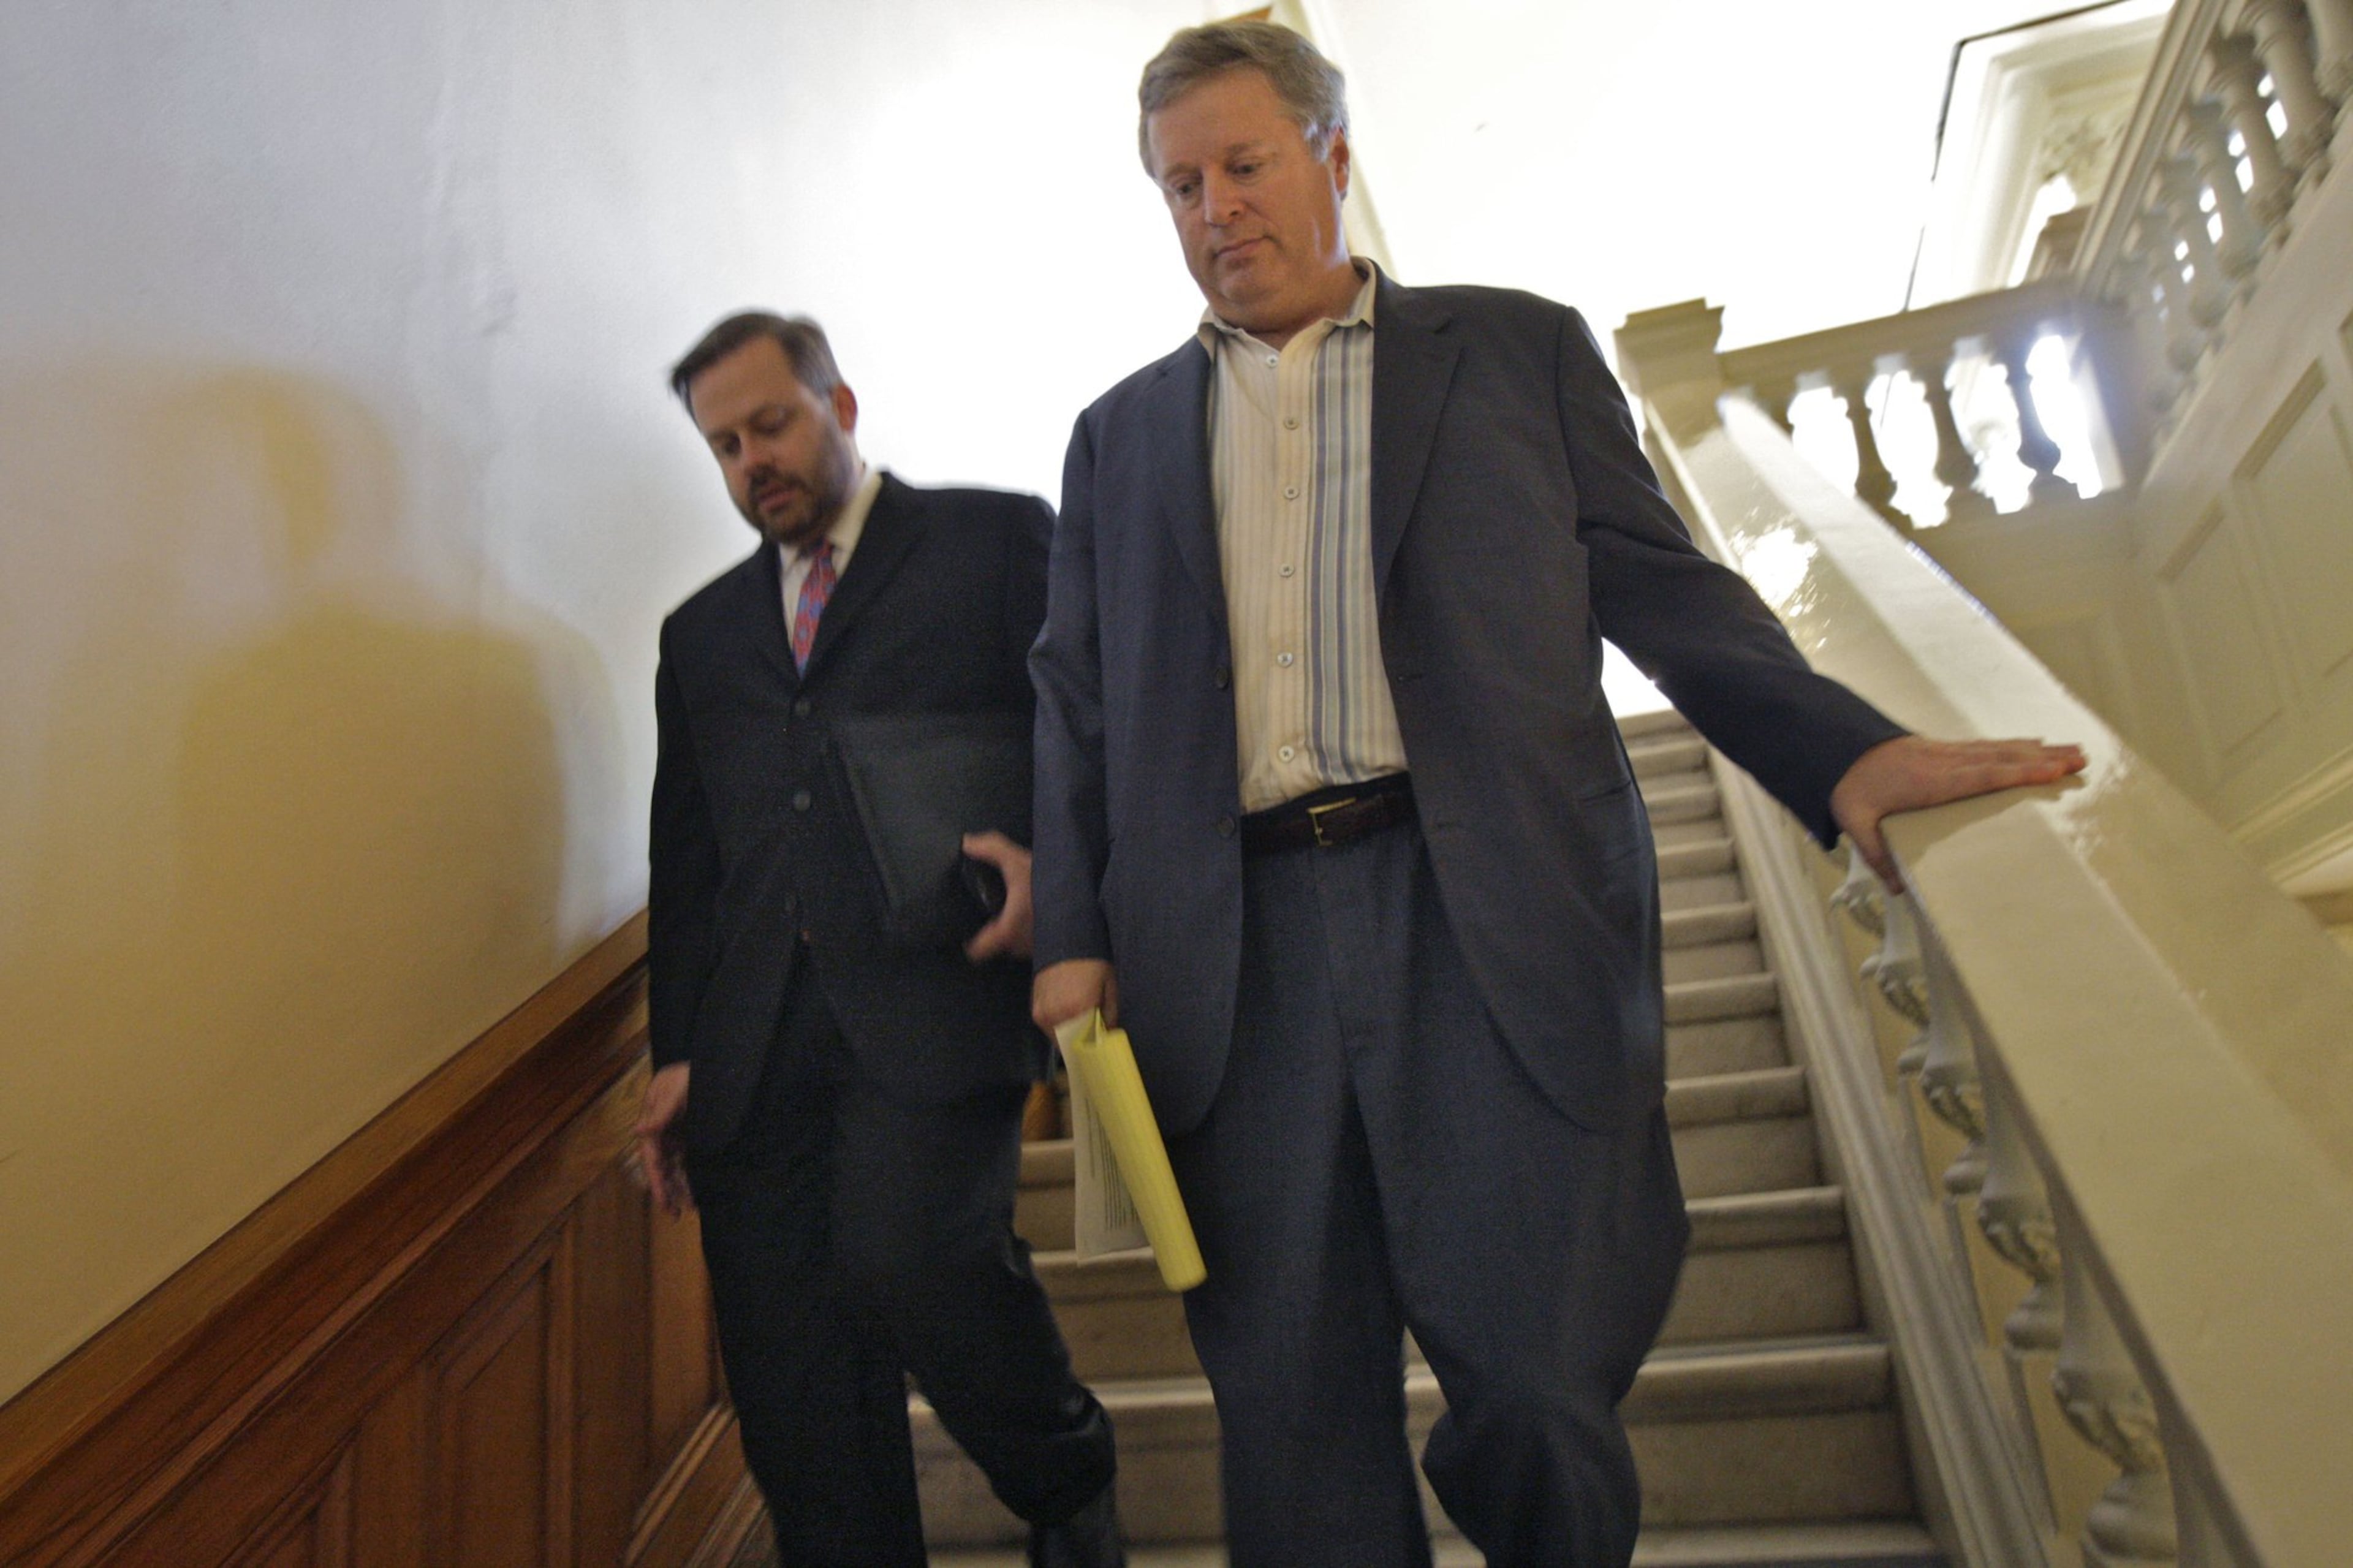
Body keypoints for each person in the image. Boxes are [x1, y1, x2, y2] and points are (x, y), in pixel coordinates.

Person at [1025, 23, 2085, 1568]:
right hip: (1230, 956)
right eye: (1178, 185)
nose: (1213, 210)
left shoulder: (1515, 352)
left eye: (1243, 165)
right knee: (1290, 1421)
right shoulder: (1114, 437)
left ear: (1330, 155)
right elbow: (1076, 700)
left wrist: (1843, 751)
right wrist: (1073, 930)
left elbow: (1668, 590)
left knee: (1533, 1388)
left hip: (1488, 918)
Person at [637, 312, 1124, 1568]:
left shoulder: (996, 538)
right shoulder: (699, 637)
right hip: (754, 1053)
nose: (755, 459)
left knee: (915, 1259)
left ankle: (1066, 1480)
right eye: (726, 443)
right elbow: (687, 860)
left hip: (938, 1004)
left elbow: (1100, 726)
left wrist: (1066, 878)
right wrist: (678, 1048)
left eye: (774, 423)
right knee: (795, 1387)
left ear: (839, 407)